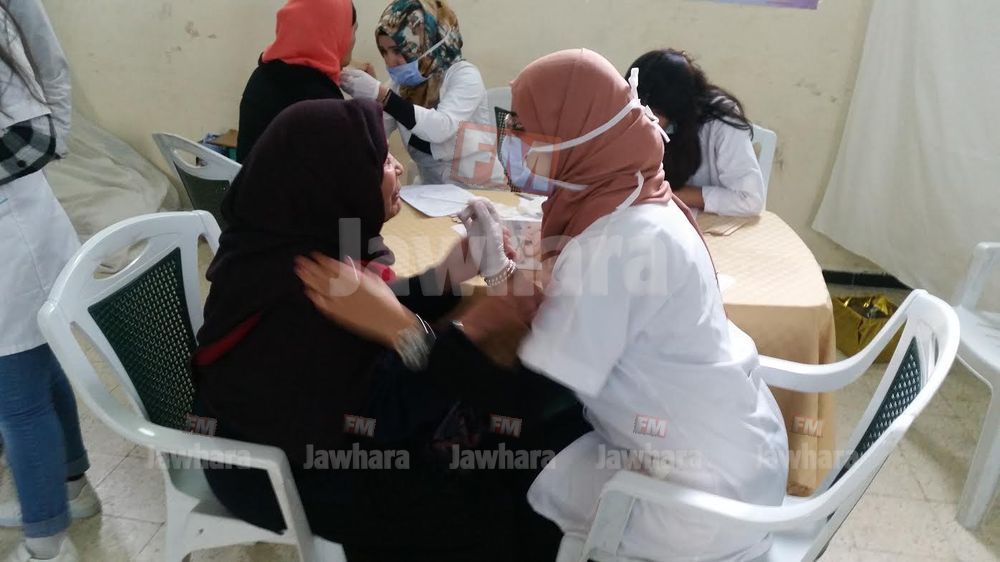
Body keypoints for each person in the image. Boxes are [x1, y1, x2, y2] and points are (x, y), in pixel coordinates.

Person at [297, 49, 789, 561]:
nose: (510, 139)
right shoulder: (635, 196)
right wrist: (493, 279)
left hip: (697, 498)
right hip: (731, 445)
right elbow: (562, 319)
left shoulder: (618, 243)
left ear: (578, 136)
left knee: (483, 488)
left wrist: (409, 332)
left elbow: (526, 394)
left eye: (523, 127)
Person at [194, 98, 575, 562]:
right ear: (336, 181)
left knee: (514, 434)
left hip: (315, 436)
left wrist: (444, 278)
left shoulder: (295, 241)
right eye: (380, 160)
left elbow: (368, 306)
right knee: (485, 492)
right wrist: (439, 336)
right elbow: (386, 413)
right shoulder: (294, 297)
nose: (396, 167)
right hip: (276, 472)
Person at [0, 2, 101, 561]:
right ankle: (71, 489)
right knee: (41, 372)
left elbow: (35, 134)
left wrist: (59, 132)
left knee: (17, 400)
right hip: (24, 227)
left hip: (13, 242)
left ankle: (46, 544)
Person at [340, 0, 504, 189]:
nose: (390, 61)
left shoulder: (464, 75)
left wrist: (381, 95)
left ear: (427, 43)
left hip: (484, 190)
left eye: (398, 50)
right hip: (433, 192)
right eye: (384, 51)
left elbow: (441, 128)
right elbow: (374, 134)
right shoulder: (399, 86)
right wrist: (367, 103)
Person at [629, 48, 766, 217]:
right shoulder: (634, 120)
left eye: (653, 113)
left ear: (677, 111)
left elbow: (750, 200)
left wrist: (667, 193)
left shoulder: (720, 122)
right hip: (663, 214)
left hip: (718, 222)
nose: (641, 121)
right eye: (636, 108)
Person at [235, 0, 360, 162]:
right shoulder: (323, 100)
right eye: (353, 31)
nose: (353, 40)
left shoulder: (262, 76)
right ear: (335, 33)